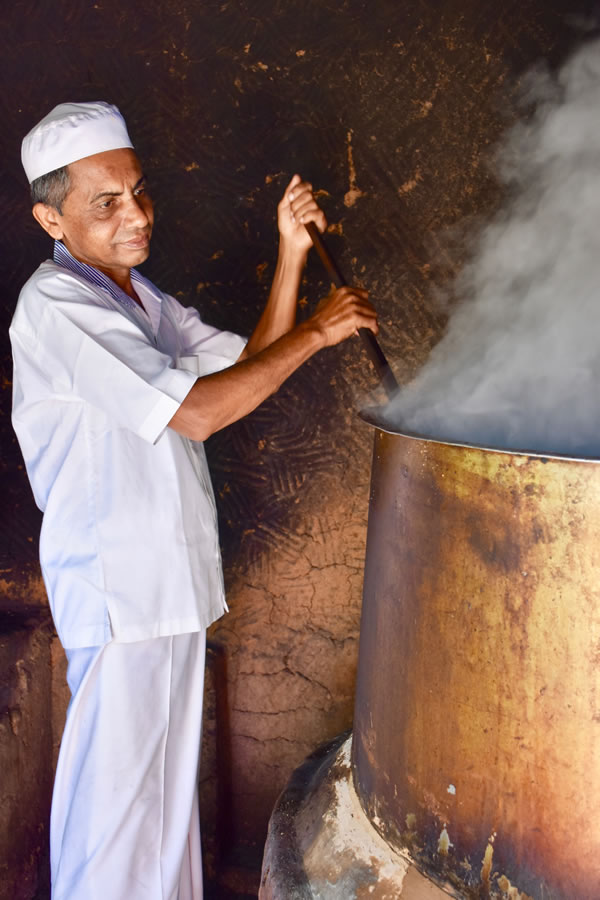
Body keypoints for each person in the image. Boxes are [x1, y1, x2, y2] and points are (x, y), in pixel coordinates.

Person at [10, 101, 377, 900]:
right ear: (51, 217)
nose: (136, 215)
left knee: (165, 815)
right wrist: (319, 330)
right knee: (114, 819)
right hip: (119, 594)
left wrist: (290, 255)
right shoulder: (58, 306)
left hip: (166, 592)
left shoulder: (134, 296)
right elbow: (203, 410)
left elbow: (248, 366)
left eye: (139, 192)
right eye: (105, 203)